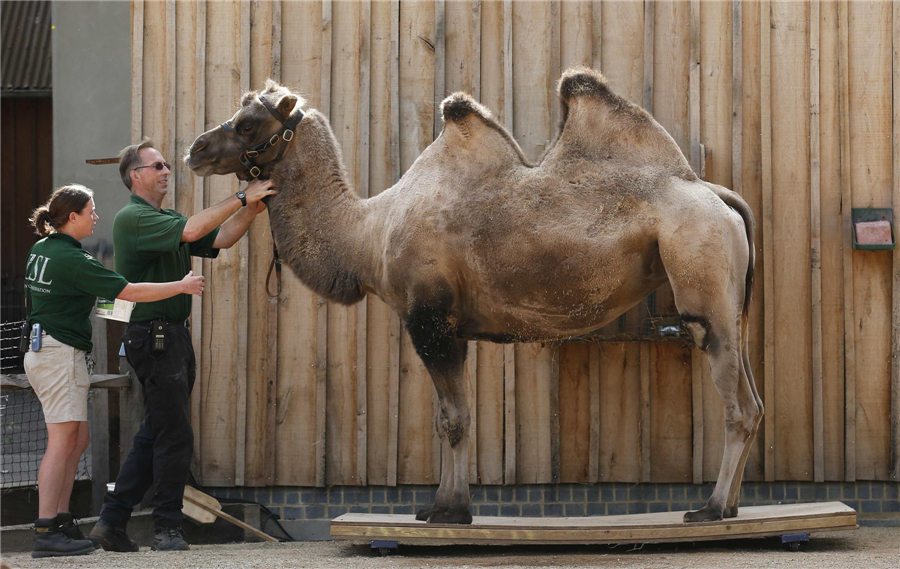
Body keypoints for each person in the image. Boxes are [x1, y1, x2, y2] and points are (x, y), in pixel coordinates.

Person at [90, 140, 276, 552]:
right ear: (135, 176)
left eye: (166, 165)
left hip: (169, 336)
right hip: (154, 338)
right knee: (175, 436)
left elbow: (221, 238)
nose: (166, 171)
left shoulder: (165, 219)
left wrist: (251, 210)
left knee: (154, 432)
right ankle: (167, 528)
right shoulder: (134, 218)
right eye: (156, 166)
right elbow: (194, 230)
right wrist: (241, 195)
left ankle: (112, 521)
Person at [24, 184, 205, 559]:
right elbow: (129, 292)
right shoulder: (72, 258)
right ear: (72, 217)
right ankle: (46, 530)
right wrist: (182, 285)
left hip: (46, 350)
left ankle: (61, 522)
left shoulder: (41, 249)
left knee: (78, 439)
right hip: (59, 354)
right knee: (61, 442)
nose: (95, 217)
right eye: (90, 211)